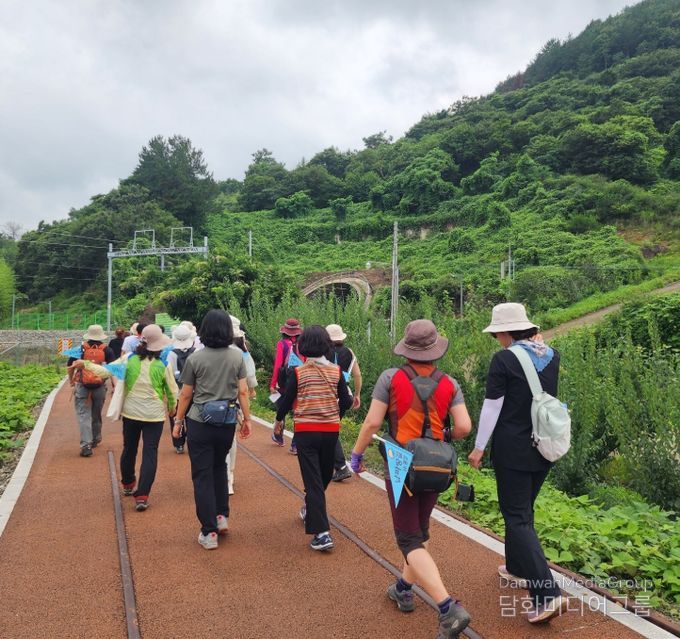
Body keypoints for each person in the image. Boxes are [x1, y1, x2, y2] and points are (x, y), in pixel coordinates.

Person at [350, 319, 472, 639]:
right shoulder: (450, 383)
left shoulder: (391, 378)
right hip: (436, 463)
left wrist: (357, 454)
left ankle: (448, 608)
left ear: (406, 349)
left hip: (401, 461)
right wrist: (441, 435)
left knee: (408, 538)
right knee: (420, 529)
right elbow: (463, 427)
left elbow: (372, 422)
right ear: (435, 350)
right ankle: (404, 588)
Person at [467, 303, 566, 624]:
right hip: (544, 445)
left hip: (513, 449)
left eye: (497, 334)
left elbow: (492, 407)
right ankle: (517, 568)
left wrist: (479, 447)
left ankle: (547, 594)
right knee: (523, 511)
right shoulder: (551, 355)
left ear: (506, 332)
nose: (497, 339)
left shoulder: (504, 359)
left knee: (517, 517)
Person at [71, 325, 178, 511]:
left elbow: (106, 371)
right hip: (154, 416)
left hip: (131, 413)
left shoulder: (128, 359)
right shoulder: (164, 364)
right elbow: (171, 390)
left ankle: (128, 483)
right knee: (150, 452)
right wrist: (172, 408)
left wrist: (86, 364)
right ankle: (142, 495)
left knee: (129, 447)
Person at [172, 310, 252, 550]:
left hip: (200, 422)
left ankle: (209, 532)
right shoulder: (236, 356)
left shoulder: (195, 358)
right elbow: (243, 391)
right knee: (220, 467)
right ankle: (221, 516)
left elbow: (186, 394)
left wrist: (178, 422)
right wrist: (247, 419)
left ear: (204, 331)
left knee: (202, 475)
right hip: (226, 422)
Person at [274, 325, 352, 551]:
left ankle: (322, 534)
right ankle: (316, 519)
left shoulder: (298, 372)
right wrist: (336, 414)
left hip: (306, 431)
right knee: (323, 476)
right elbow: (346, 401)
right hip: (330, 431)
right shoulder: (336, 371)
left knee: (314, 481)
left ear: (304, 346)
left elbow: (286, 400)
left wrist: (278, 421)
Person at [67, 324, 116, 457]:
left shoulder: (80, 349)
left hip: (82, 386)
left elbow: (70, 366)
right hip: (99, 387)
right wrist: (114, 386)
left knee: (84, 416)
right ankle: (95, 438)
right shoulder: (107, 350)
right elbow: (112, 370)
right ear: (101, 336)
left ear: (88, 335)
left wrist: (71, 381)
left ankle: (86, 445)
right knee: (96, 413)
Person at [325, 323, 363, 482]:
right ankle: (334, 464)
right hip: (345, 395)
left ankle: (341, 466)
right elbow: (357, 375)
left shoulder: (323, 352)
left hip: (328, 395)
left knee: (328, 430)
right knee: (330, 430)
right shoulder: (349, 352)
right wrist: (357, 394)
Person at [228, 314, 257, 495]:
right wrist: (247, 417)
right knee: (230, 439)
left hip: (208, 404)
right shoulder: (242, 351)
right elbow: (250, 378)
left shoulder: (204, 351)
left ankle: (219, 475)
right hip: (234, 400)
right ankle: (229, 476)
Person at [270, 318, 303, 454]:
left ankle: (279, 436)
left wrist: (273, 384)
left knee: (282, 408)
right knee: (297, 412)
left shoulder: (282, 344)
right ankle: (295, 445)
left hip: (285, 382)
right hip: (300, 381)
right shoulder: (303, 344)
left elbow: (278, 365)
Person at [166, 324, 196, 454]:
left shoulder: (172, 354)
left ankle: (178, 443)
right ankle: (192, 441)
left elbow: (169, 373)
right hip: (194, 392)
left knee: (177, 417)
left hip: (177, 392)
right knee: (193, 419)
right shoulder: (196, 352)